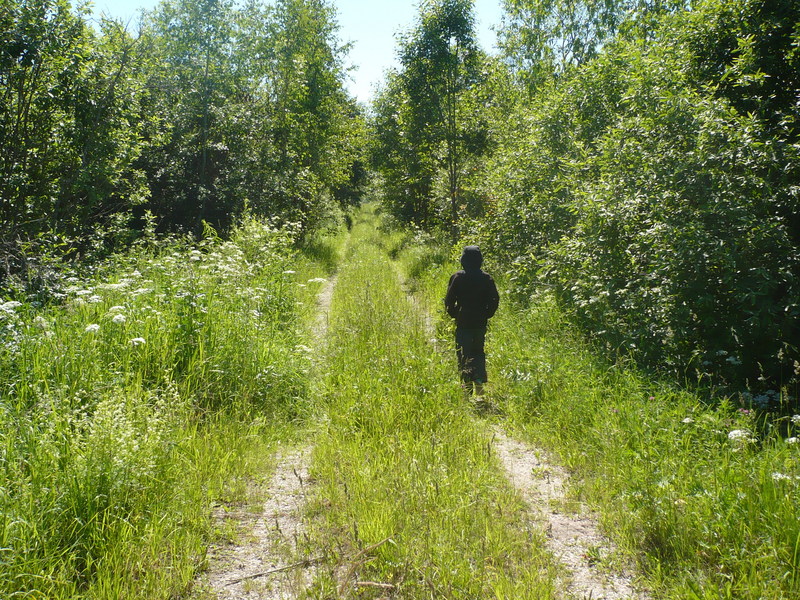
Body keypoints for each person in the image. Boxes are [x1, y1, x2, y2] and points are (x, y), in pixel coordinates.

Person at [444, 246, 499, 396]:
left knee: (463, 352)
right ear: (480, 260)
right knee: (478, 351)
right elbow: (494, 300)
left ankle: (467, 386)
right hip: (480, 322)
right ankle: (479, 382)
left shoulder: (457, 277)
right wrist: (487, 314)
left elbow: (449, 300)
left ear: (463, 260)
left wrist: (454, 314)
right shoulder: (486, 278)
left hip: (463, 321)